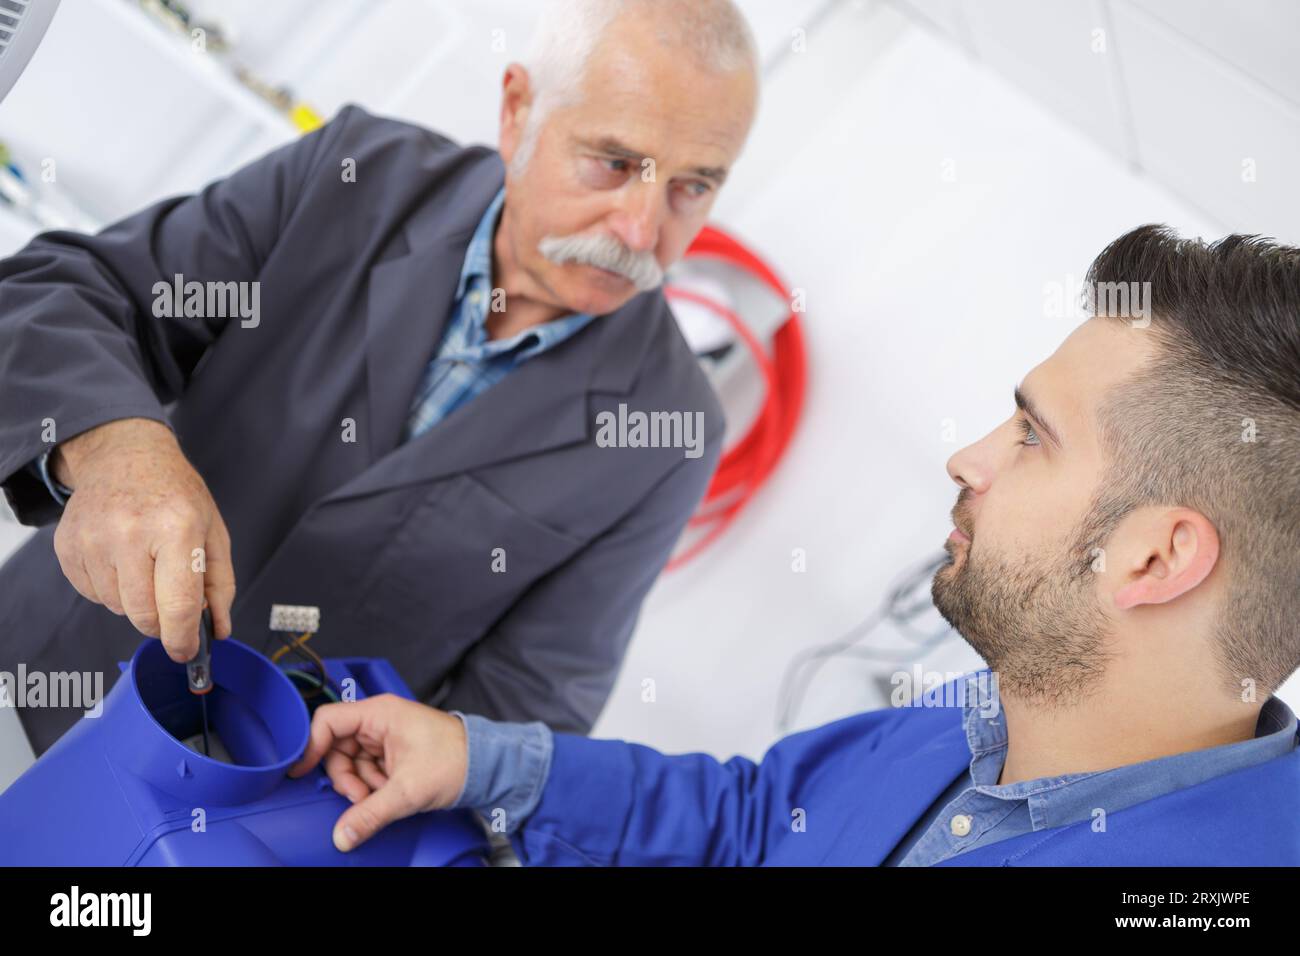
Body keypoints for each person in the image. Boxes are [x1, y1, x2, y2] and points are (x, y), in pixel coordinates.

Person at [289, 225, 1300, 865]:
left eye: (1033, 434)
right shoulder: (994, 709)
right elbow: (756, 822)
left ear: (1155, 560)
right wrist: (479, 758)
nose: (968, 456)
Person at [0, 0, 760, 755]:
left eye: (692, 187)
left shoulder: (670, 431)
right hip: (32, 674)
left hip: (241, 805)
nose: (640, 230)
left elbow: (532, 700)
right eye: (615, 163)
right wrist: (114, 453)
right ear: (518, 109)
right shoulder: (354, 177)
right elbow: (58, 291)